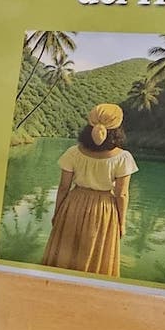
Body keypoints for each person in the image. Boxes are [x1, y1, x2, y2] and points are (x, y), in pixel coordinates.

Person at [42, 104, 137, 279]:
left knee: (65, 254)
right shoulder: (123, 157)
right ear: (117, 128)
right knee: (95, 257)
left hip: (73, 205)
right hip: (104, 211)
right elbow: (121, 194)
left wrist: (57, 213)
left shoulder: (73, 152)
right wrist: (122, 223)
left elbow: (63, 187)